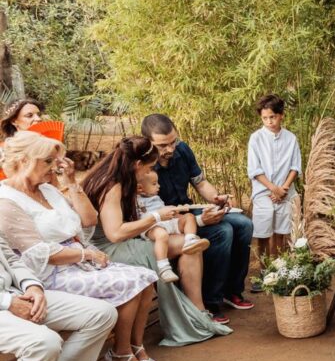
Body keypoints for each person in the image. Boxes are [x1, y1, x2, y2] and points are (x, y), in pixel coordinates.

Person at [0, 131, 160, 361]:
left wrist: (72, 182)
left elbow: (88, 219)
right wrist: (85, 254)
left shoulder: (48, 190)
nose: (54, 167)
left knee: (146, 279)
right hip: (49, 272)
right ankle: (121, 353)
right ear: (24, 160)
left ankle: (135, 347)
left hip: (78, 259)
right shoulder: (7, 201)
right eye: (47, 162)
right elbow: (41, 253)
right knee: (130, 282)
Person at [83, 136, 232, 344]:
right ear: (137, 165)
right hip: (109, 247)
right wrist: (157, 217)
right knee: (189, 245)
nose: (148, 173)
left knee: (191, 244)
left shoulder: (118, 175)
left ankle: (198, 311)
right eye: (148, 168)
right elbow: (115, 233)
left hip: (129, 237)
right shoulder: (112, 185)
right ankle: (193, 316)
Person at [140, 114, 255, 310]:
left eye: (173, 142)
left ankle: (232, 290)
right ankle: (211, 300)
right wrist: (201, 219)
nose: (170, 149)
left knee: (244, 224)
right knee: (223, 231)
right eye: (162, 146)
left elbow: (199, 182)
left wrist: (216, 198)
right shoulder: (142, 166)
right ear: (148, 143)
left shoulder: (183, 150)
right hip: (168, 221)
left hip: (189, 211)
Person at [246, 94, 301, 263]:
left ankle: (278, 268)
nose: (269, 121)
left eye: (273, 117)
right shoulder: (256, 138)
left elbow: (295, 167)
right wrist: (273, 188)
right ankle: (263, 270)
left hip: (285, 192)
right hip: (264, 192)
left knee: (280, 232)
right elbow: (255, 170)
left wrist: (283, 189)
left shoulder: (291, 138)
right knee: (263, 232)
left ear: (281, 115)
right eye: (265, 118)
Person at [137, 169, 210, 283]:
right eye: (154, 184)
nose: (159, 186)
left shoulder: (155, 196)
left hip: (166, 221)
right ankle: (163, 267)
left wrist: (176, 209)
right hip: (151, 226)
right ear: (140, 188)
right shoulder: (136, 200)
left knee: (189, 217)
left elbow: (163, 209)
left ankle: (190, 240)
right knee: (162, 235)